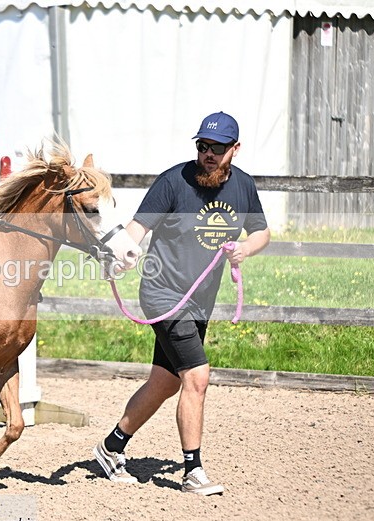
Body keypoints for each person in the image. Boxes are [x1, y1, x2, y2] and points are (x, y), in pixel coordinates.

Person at [94, 111, 271, 495]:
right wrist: (120, 255)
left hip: (199, 300)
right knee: (197, 376)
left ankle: (111, 447)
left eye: (218, 148)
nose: (208, 154)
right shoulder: (173, 181)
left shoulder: (243, 186)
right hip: (163, 294)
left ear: (234, 149)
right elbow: (138, 228)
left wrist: (245, 248)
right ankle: (193, 470)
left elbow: (261, 231)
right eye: (203, 146)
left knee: (165, 381)